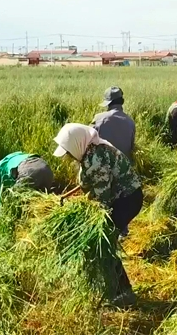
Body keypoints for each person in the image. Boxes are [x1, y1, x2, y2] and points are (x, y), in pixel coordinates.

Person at [52, 123, 143, 307]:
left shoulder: (95, 159)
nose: (69, 156)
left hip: (127, 199)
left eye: (69, 152)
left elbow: (103, 199)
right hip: (121, 198)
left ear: (78, 143)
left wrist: (90, 220)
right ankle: (114, 288)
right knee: (103, 245)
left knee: (104, 244)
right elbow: (91, 185)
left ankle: (124, 293)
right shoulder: (90, 151)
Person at [0, 151, 54, 215]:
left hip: (28, 170)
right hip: (45, 167)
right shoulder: (6, 162)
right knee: (39, 204)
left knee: (14, 203)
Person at [91, 86, 136, 160]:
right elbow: (132, 147)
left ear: (108, 103)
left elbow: (88, 141)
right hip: (124, 167)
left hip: (103, 165)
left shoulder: (99, 119)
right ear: (122, 101)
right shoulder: (130, 122)